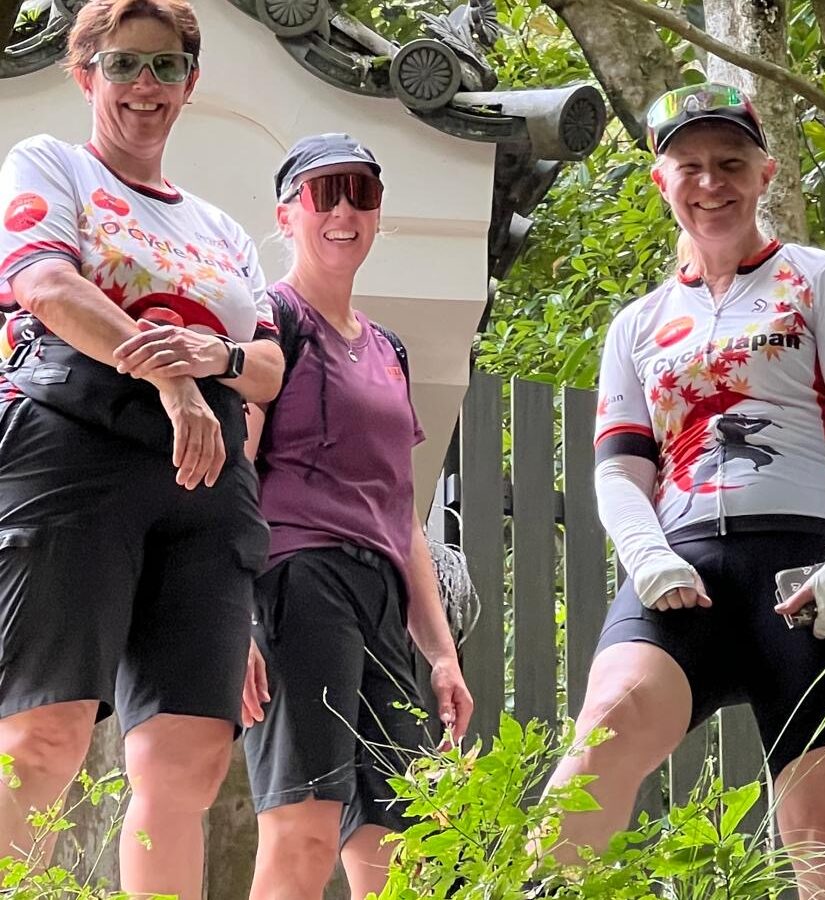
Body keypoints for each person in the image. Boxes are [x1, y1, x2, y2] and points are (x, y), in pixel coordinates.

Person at [542, 83, 825, 899]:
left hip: (808, 564)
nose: (712, 184)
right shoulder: (636, 324)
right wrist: (644, 554)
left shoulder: (824, 278)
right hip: (681, 567)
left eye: (731, 163)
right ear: (660, 183)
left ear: (766, 173)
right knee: (600, 744)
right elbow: (618, 469)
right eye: (690, 166)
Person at [0, 1, 284, 897]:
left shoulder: (223, 231)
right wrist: (171, 381)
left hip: (209, 484)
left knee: (189, 758)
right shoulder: (53, 166)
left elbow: (271, 368)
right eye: (123, 65)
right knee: (44, 732)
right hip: (78, 448)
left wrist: (220, 359)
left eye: (166, 68)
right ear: (86, 76)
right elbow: (45, 284)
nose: (145, 87)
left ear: (190, 85)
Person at [239, 133, 474, 900]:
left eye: (361, 194)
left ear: (378, 216)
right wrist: (235, 617)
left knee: (398, 848)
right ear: (286, 214)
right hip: (297, 582)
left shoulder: (389, 350)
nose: (344, 211)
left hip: (380, 598)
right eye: (323, 193)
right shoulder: (271, 322)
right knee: (303, 825)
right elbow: (233, 476)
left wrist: (440, 653)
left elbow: (400, 513)